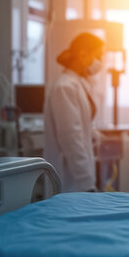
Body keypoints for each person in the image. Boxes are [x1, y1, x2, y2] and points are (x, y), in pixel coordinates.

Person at [43, 33, 105, 192]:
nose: (100, 62)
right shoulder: (65, 87)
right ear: (83, 55)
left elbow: (79, 125)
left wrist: (92, 133)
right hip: (69, 178)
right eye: (98, 55)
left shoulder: (78, 83)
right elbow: (71, 138)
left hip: (77, 176)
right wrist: (86, 181)